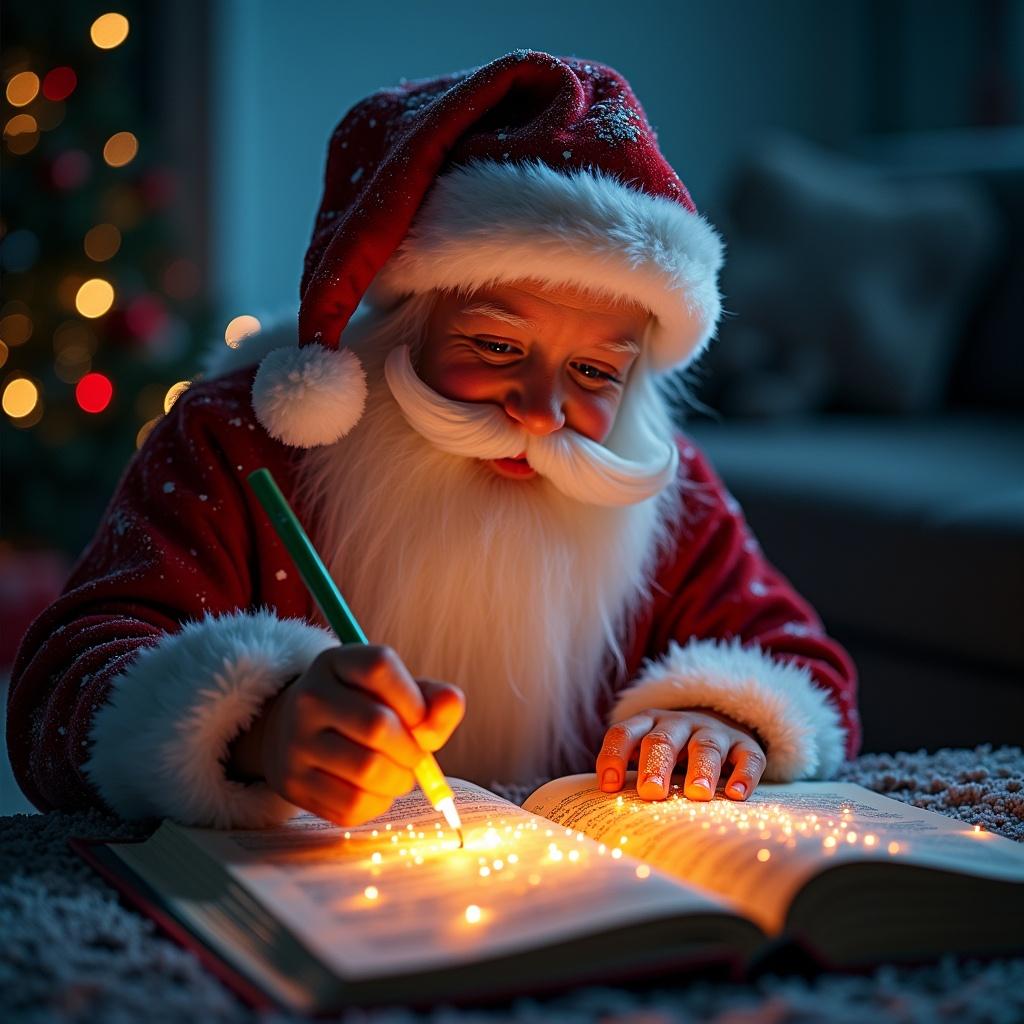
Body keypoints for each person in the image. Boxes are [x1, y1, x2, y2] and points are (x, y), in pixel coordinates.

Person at [8, 51, 860, 830]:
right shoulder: (237, 441)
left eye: (597, 374)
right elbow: (58, 698)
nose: (541, 412)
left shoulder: (654, 487)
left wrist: (723, 718)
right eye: (496, 347)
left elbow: (802, 670)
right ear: (403, 322)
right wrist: (257, 727)